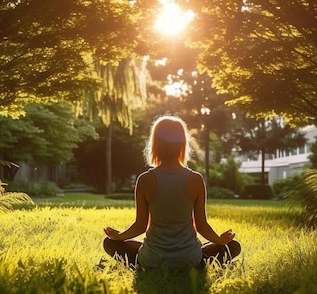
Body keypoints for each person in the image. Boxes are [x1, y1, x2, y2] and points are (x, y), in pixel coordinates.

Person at [103, 115, 241, 269]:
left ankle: (141, 265)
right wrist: (219, 240)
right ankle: (199, 265)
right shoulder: (195, 179)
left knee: (110, 243)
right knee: (233, 246)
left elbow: (140, 226)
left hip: (152, 259)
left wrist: (119, 236)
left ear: (155, 144)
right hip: (189, 258)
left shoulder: (145, 179)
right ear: (183, 144)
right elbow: (201, 226)